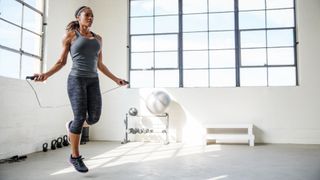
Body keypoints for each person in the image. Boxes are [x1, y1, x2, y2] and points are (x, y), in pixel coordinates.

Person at [34, 6, 127, 173]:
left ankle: (71, 126)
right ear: (78, 17)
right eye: (87, 15)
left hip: (93, 81)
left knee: (94, 118)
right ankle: (75, 157)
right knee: (80, 117)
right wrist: (46, 75)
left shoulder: (98, 38)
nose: (90, 18)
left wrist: (116, 79)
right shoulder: (70, 36)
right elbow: (61, 62)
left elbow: (100, 65)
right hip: (76, 79)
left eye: (92, 16)